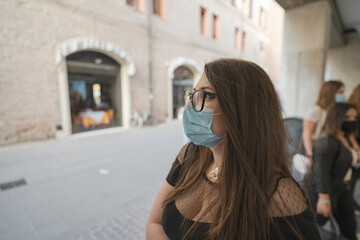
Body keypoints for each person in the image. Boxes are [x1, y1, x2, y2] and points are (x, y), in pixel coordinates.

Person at [146, 59, 320, 240]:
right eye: (194, 94)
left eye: (207, 95)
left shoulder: (279, 194)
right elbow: (155, 223)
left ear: (244, 109)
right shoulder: (190, 155)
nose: (192, 106)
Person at [303, 103, 359, 240]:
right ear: (336, 118)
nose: (352, 120)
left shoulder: (346, 138)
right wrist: (324, 199)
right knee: (312, 227)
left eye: (354, 117)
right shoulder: (327, 141)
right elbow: (322, 172)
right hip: (321, 191)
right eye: (347, 117)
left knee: (349, 226)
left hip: (340, 187)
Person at [302, 80, 345, 161]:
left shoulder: (334, 111)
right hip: (317, 151)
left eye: (343, 92)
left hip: (330, 151)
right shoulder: (316, 110)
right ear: (330, 93)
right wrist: (310, 155)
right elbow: (307, 133)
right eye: (340, 92)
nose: (343, 95)